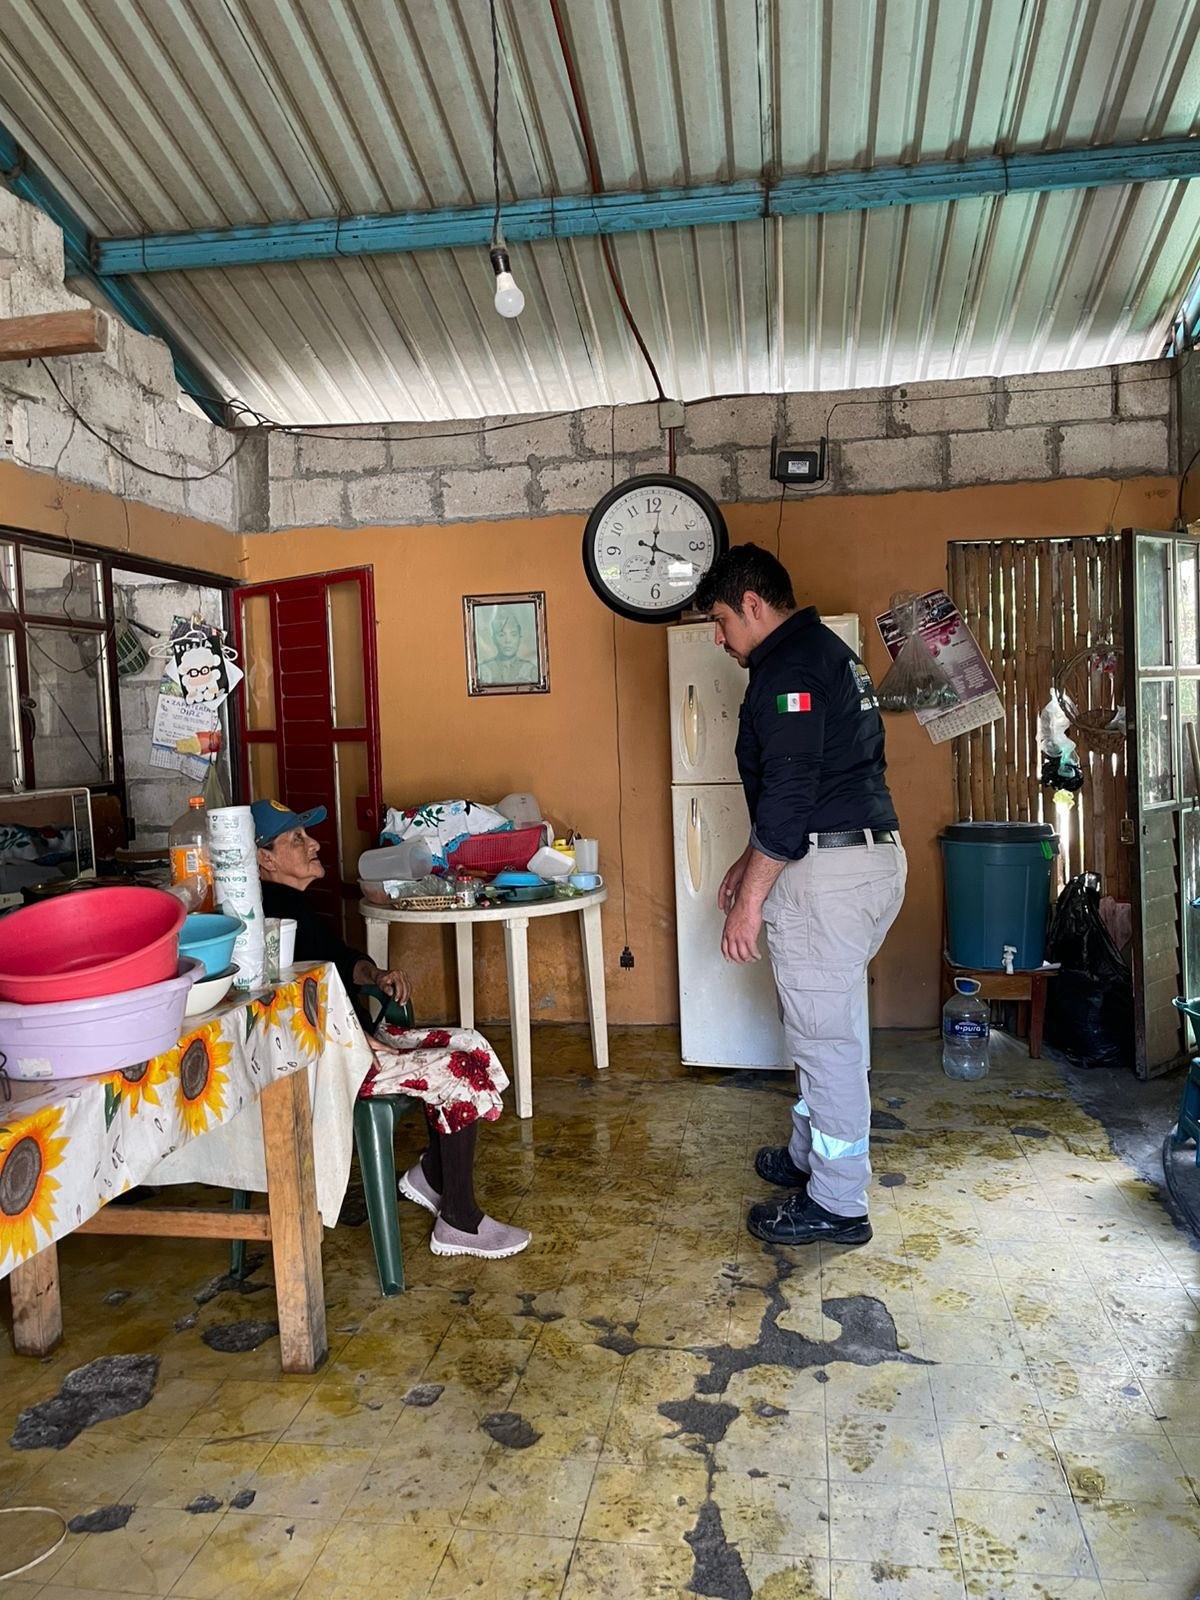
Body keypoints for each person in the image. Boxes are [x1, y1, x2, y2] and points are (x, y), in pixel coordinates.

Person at [693, 545, 907, 1248]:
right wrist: (746, 863)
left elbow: (790, 792)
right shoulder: (824, 652)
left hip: (831, 877)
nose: (719, 639)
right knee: (825, 1027)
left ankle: (838, 1203)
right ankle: (808, 1156)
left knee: (826, 1042)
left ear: (754, 605)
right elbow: (808, 788)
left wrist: (750, 901)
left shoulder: (788, 668)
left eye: (722, 621)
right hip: (857, 860)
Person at [252, 798, 531, 1260]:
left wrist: (374, 975)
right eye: (296, 839)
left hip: (359, 1040)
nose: (314, 844)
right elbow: (290, 1004)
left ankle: (433, 1176)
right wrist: (360, 1039)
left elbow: (341, 961)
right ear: (265, 858)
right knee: (457, 1069)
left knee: (470, 1041)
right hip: (336, 1058)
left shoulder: (297, 906)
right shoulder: (269, 920)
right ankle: (458, 1221)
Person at [476, 604, 540, 685]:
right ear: (494, 639)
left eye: (513, 634)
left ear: (520, 638)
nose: (508, 641)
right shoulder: (482, 671)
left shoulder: (531, 671)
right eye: (501, 635)